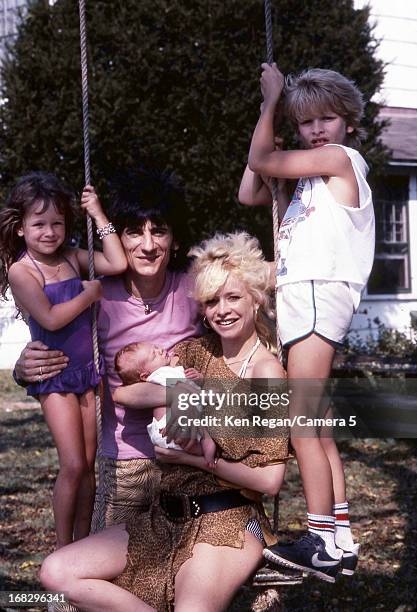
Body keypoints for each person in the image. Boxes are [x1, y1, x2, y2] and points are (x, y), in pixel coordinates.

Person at [39, 231, 289, 611]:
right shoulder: (194, 351)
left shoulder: (267, 373)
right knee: (57, 573)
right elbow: (125, 393)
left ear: (255, 299)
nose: (221, 309)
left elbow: (270, 480)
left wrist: (190, 459)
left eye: (233, 297)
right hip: (166, 518)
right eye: (211, 301)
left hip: (227, 520)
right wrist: (182, 392)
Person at [239, 65, 375, 581]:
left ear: (349, 123)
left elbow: (261, 158)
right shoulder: (310, 184)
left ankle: (319, 541)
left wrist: (272, 99)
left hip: (319, 295)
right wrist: (270, 118)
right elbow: (249, 190)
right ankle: (338, 538)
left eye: (327, 118)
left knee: (301, 422)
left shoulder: (341, 160)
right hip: (306, 299)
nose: (317, 129)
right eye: (306, 122)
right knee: (316, 423)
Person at [13, 168, 203, 527]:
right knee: (117, 565)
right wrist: (23, 368)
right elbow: (55, 336)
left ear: (175, 239)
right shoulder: (94, 295)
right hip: (124, 465)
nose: (147, 246)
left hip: (189, 458)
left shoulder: (195, 289)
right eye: (134, 232)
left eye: (159, 230)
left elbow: (249, 295)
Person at [0, 172, 127, 548]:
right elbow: (51, 318)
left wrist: (99, 215)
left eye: (57, 223)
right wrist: (90, 295)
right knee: (72, 465)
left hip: (87, 371)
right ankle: (61, 548)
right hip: (54, 375)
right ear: (21, 228)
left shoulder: (72, 256)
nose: (49, 232)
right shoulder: (22, 271)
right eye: (38, 224)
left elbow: (118, 263)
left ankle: (83, 544)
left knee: (88, 466)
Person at [114, 340, 216, 466]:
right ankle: (205, 456)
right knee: (197, 439)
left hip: (177, 425)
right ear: (145, 376)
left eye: (156, 347)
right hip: (168, 427)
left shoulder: (169, 370)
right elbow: (189, 391)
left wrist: (198, 377)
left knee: (198, 438)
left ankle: (203, 455)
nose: (160, 350)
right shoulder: (158, 376)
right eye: (154, 355)